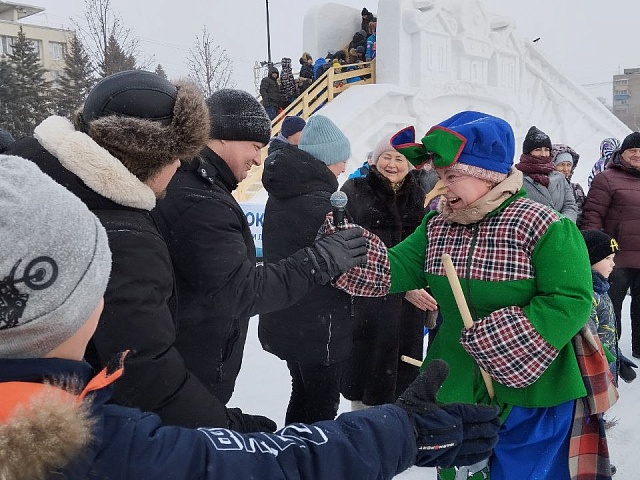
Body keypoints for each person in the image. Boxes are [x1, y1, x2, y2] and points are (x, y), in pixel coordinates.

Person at [0, 152, 502, 480]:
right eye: (100, 283)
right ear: (69, 300)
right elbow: (278, 466)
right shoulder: (86, 445)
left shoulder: (73, 412)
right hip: (319, 332)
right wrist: (403, 432)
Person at [4, 70, 263, 430]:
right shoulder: (123, 234)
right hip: (68, 426)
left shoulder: (25, 170)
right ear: (148, 159)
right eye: (178, 156)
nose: (181, 167)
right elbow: (145, 373)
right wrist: (229, 431)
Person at [382, 111, 616, 479]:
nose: (442, 187)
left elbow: (570, 300)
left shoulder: (544, 225)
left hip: (533, 392)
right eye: (440, 177)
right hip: (457, 381)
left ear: (487, 177)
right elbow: (394, 268)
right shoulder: (437, 225)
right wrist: (349, 257)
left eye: (452, 177)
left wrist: (503, 340)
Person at [152, 92, 368, 417]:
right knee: (319, 404)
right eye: (255, 146)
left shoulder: (202, 187)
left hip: (198, 356)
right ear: (226, 135)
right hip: (195, 363)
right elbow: (238, 290)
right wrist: (321, 260)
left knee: (306, 395)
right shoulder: (200, 198)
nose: (257, 159)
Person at [260, 114, 353, 424]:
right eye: (341, 160)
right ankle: (309, 463)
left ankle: (292, 458)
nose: (343, 168)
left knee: (302, 392)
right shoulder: (323, 205)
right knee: (321, 407)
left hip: (288, 317)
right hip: (320, 325)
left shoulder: (284, 195)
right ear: (327, 159)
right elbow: (345, 267)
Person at [340, 133, 437, 410]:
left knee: (403, 383)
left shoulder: (420, 196)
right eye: (386, 157)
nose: (392, 164)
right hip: (368, 305)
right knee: (366, 384)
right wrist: (401, 284)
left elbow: (426, 251)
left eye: (399, 158)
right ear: (375, 159)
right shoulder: (354, 191)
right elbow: (348, 248)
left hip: (408, 313)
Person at [582, 131, 640, 360]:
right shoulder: (606, 178)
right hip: (617, 258)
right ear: (622, 153)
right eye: (632, 151)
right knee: (611, 309)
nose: (637, 155)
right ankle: (609, 352)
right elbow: (593, 216)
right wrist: (598, 252)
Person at [580, 230, 635, 384]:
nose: (613, 263)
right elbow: (590, 340)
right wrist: (608, 359)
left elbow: (607, 332)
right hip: (593, 373)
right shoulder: (587, 296)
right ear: (589, 260)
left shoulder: (601, 290)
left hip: (606, 368)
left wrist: (618, 357)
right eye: (607, 258)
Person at [515, 126, 578, 222]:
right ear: (528, 152)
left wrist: (563, 223)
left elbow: (570, 205)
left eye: (546, 150)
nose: (543, 154)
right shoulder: (517, 177)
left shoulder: (559, 177)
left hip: (560, 232)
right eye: (538, 150)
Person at [552, 143, 585, 224]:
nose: (566, 169)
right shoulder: (547, 187)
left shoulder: (577, 189)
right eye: (561, 165)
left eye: (569, 165)